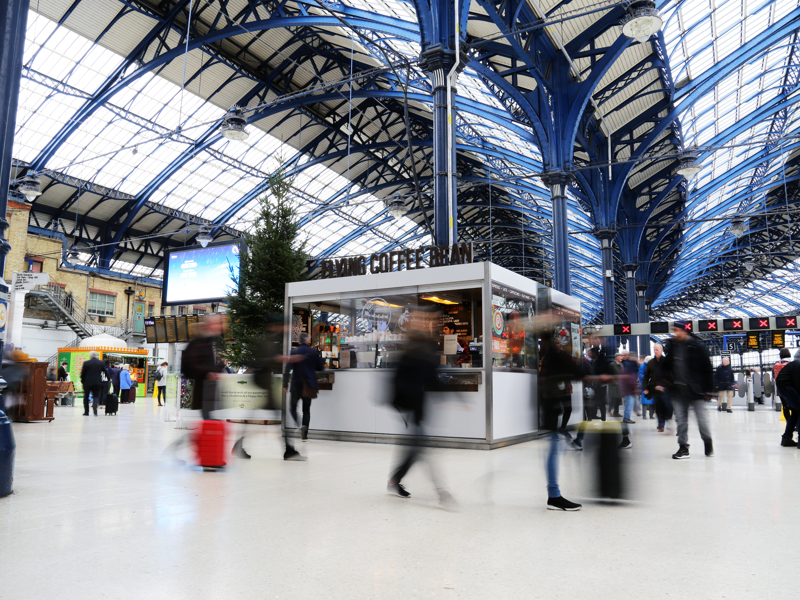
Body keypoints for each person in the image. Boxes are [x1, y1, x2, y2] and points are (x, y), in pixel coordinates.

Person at [386, 310, 453, 506]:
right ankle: (442, 493)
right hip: (414, 408)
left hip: (413, 408)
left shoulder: (416, 352)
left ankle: (394, 479)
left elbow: (430, 380)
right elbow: (430, 381)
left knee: (415, 449)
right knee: (421, 449)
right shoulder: (415, 354)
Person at [539, 331, 583, 511]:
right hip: (551, 410)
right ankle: (554, 496)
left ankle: (554, 494)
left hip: (551, 409)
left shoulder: (551, 358)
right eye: (556, 343)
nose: (559, 345)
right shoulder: (554, 358)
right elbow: (578, 371)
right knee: (552, 450)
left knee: (552, 449)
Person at [663, 322, 714, 459]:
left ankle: (707, 441)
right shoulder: (672, 347)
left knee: (701, 420)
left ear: (685, 331)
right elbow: (666, 366)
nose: (675, 333)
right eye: (674, 330)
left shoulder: (697, 346)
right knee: (681, 421)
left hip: (696, 391)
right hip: (677, 391)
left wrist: (709, 389)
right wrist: (664, 382)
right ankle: (683, 447)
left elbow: (708, 368)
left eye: (677, 330)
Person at [182, 314, 226, 420]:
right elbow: (190, 365)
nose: (221, 327)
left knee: (209, 420)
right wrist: (209, 373)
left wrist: (217, 369)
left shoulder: (208, 341)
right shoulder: (199, 343)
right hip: (204, 390)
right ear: (210, 325)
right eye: (218, 324)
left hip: (208, 391)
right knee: (208, 421)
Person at [283, 332, 323, 444]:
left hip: (296, 384)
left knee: (292, 408)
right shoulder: (313, 352)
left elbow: (287, 369)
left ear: (299, 341)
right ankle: (304, 435)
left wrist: (285, 384)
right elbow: (320, 368)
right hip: (308, 385)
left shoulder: (293, 351)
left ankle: (299, 425)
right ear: (308, 340)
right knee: (306, 410)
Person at [642, 343, 671, 432]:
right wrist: (645, 388)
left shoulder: (667, 362)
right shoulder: (651, 363)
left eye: (657, 350)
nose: (655, 351)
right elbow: (646, 376)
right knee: (658, 406)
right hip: (655, 388)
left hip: (666, 388)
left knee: (667, 405)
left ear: (662, 350)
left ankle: (667, 420)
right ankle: (661, 424)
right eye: (654, 350)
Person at [774, 348, 799, 447]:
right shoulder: (795, 365)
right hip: (789, 388)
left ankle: (786, 438)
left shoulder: (778, 365)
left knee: (794, 411)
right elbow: (797, 382)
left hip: (782, 389)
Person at [80, 351, 107, 416]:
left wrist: (82, 381)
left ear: (91, 356)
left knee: (86, 396)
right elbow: (105, 371)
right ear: (96, 356)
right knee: (96, 396)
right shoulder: (101, 363)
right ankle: (95, 406)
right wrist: (109, 379)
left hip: (87, 382)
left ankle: (86, 412)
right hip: (97, 382)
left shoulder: (86, 363)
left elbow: (82, 373)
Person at [620, 349, 639, 424]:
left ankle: (627, 417)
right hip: (629, 388)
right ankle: (626, 418)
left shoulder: (630, 364)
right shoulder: (629, 365)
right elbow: (630, 377)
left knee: (630, 403)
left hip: (629, 388)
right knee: (629, 403)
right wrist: (633, 386)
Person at [608, 353, 623, 417]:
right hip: (613, 384)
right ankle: (609, 411)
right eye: (620, 356)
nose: (622, 358)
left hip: (620, 384)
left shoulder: (622, 365)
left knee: (618, 399)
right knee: (613, 398)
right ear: (617, 357)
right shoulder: (612, 365)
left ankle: (616, 412)